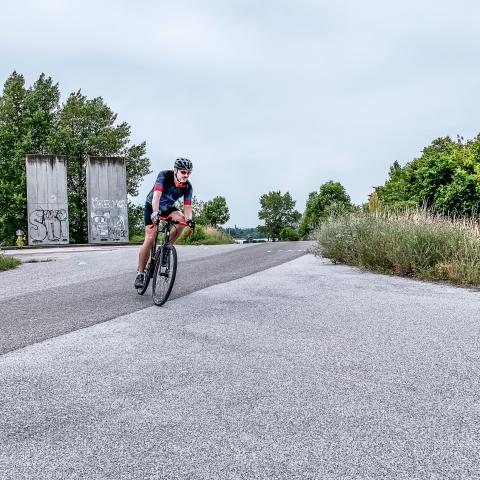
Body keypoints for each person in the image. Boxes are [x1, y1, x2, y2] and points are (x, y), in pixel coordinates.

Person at [134, 157, 195, 289]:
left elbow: (187, 207)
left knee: (182, 220)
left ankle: (166, 250)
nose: (186, 175)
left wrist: (190, 220)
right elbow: (156, 196)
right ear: (175, 171)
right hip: (152, 206)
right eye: (183, 172)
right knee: (150, 238)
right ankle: (140, 273)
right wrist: (155, 212)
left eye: (188, 173)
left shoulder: (188, 187)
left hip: (168, 208)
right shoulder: (164, 176)